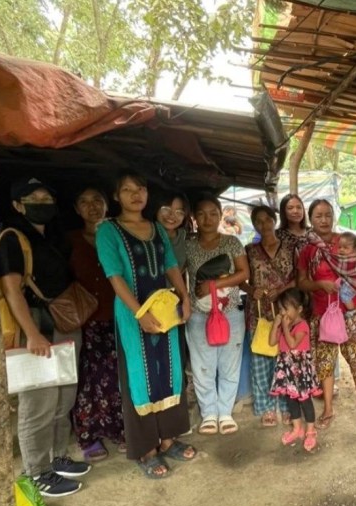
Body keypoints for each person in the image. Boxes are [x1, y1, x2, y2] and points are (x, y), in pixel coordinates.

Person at [96, 171, 196, 479]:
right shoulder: (108, 230)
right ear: (116, 196)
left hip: (165, 310)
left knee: (170, 371)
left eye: (140, 188)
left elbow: (170, 266)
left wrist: (185, 297)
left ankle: (169, 439)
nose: (136, 194)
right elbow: (115, 276)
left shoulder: (156, 228)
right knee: (140, 378)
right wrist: (140, 314)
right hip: (132, 314)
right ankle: (146, 449)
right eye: (127, 190)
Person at [0, 177, 91, 496]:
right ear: (17, 205)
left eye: (46, 197)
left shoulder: (53, 235)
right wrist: (33, 334)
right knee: (38, 402)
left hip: (63, 323)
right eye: (33, 198)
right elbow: (12, 290)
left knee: (64, 396)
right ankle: (37, 472)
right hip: (36, 325)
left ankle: (58, 457)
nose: (42, 202)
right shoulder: (13, 238)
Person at [298, 199, 356, 429]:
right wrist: (319, 285)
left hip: (350, 310)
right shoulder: (307, 249)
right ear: (310, 219)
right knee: (325, 361)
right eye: (318, 216)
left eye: (328, 215)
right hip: (322, 313)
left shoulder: (344, 241)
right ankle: (328, 409)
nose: (324, 220)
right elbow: (301, 282)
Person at [185, 193, 249, 436]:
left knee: (229, 363)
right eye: (201, 214)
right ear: (194, 217)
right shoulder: (188, 244)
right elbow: (176, 272)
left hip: (230, 312)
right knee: (203, 365)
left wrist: (212, 285)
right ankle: (209, 413)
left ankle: (225, 413)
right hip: (199, 315)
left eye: (213, 213)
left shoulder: (231, 242)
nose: (208, 218)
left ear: (220, 215)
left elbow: (243, 273)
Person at [69, 187, 125, 462]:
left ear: (107, 205)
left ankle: (121, 428)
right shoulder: (70, 240)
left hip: (119, 316)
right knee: (88, 379)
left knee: (119, 376)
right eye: (84, 201)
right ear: (76, 209)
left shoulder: (118, 236)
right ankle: (89, 435)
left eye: (97, 200)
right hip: (83, 321)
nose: (91, 206)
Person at [241, 205, 296, 427]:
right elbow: (241, 279)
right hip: (259, 313)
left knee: (284, 359)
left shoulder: (290, 247)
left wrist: (282, 290)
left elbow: (299, 278)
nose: (264, 224)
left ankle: (287, 407)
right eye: (258, 221)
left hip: (285, 311)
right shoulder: (249, 250)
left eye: (267, 219)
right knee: (261, 361)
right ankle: (266, 407)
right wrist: (250, 289)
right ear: (254, 224)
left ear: (275, 220)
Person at [269, 288, 321, 452]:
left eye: (285, 308)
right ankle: (297, 428)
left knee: (305, 400)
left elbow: (292, 344)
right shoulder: (284, 324)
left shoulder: (302, 325)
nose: (282, 312)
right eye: (280, 309)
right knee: (291, 400)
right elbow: (272, 342)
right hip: (287, 368)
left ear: (298, 309)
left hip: (300, 369)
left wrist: (284, 327)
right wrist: (276, 325)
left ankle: (311, 431)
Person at [152, 190, 190, 274]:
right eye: (166, 208)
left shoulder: (184, 236)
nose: (171, 215)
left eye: (179, 212)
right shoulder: (145, 233)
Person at [336, 232, 356, 314]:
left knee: (344, 293)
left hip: (355, 283)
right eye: (339, 247)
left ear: (355, 250)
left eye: (345, 248)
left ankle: (351, 310)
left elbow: (339, 268)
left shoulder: (349, 259)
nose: (341, 250)